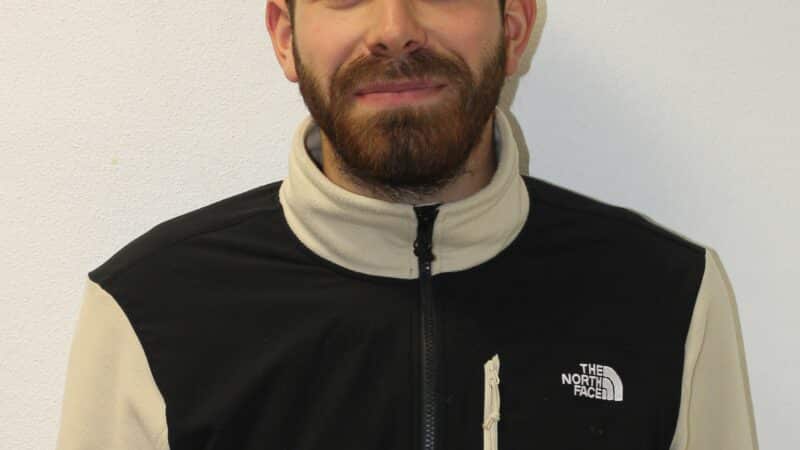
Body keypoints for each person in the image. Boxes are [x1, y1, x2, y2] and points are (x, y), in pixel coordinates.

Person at [56, 0, 759, 449]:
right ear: (285, 35)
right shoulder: (150, 311)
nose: (395, 28)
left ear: (514, 28)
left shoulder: (668, 297)